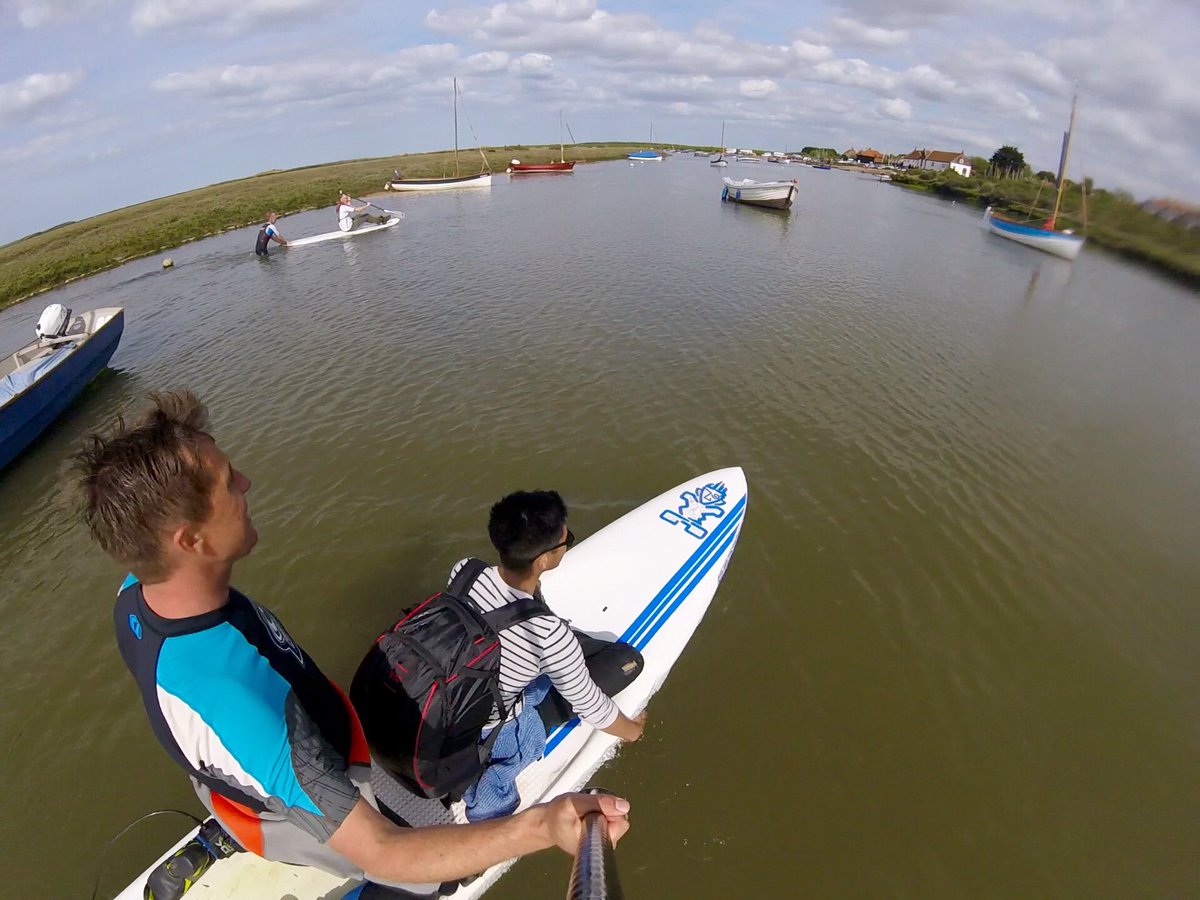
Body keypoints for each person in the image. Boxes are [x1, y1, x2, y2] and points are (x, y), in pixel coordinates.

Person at [72, 391, 631, 899]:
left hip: (246, 773)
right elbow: (383, 848)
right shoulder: (245, 709)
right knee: (429, 875)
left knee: (272, 781)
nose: (246, 483)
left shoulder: (138, 594)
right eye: (227, 481)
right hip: (300, 781)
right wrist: (539, 825)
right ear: (189, 540)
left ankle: (223, 835)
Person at [448, 490, 647, 819]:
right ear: (543, 560)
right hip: (488, 730)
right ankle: (492, 808)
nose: (567, 541)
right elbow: (591, 707)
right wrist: (632, 731)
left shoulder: (465, 570)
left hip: (451, 687)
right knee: (627, 662)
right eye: (565, 539)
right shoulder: (548, 636)